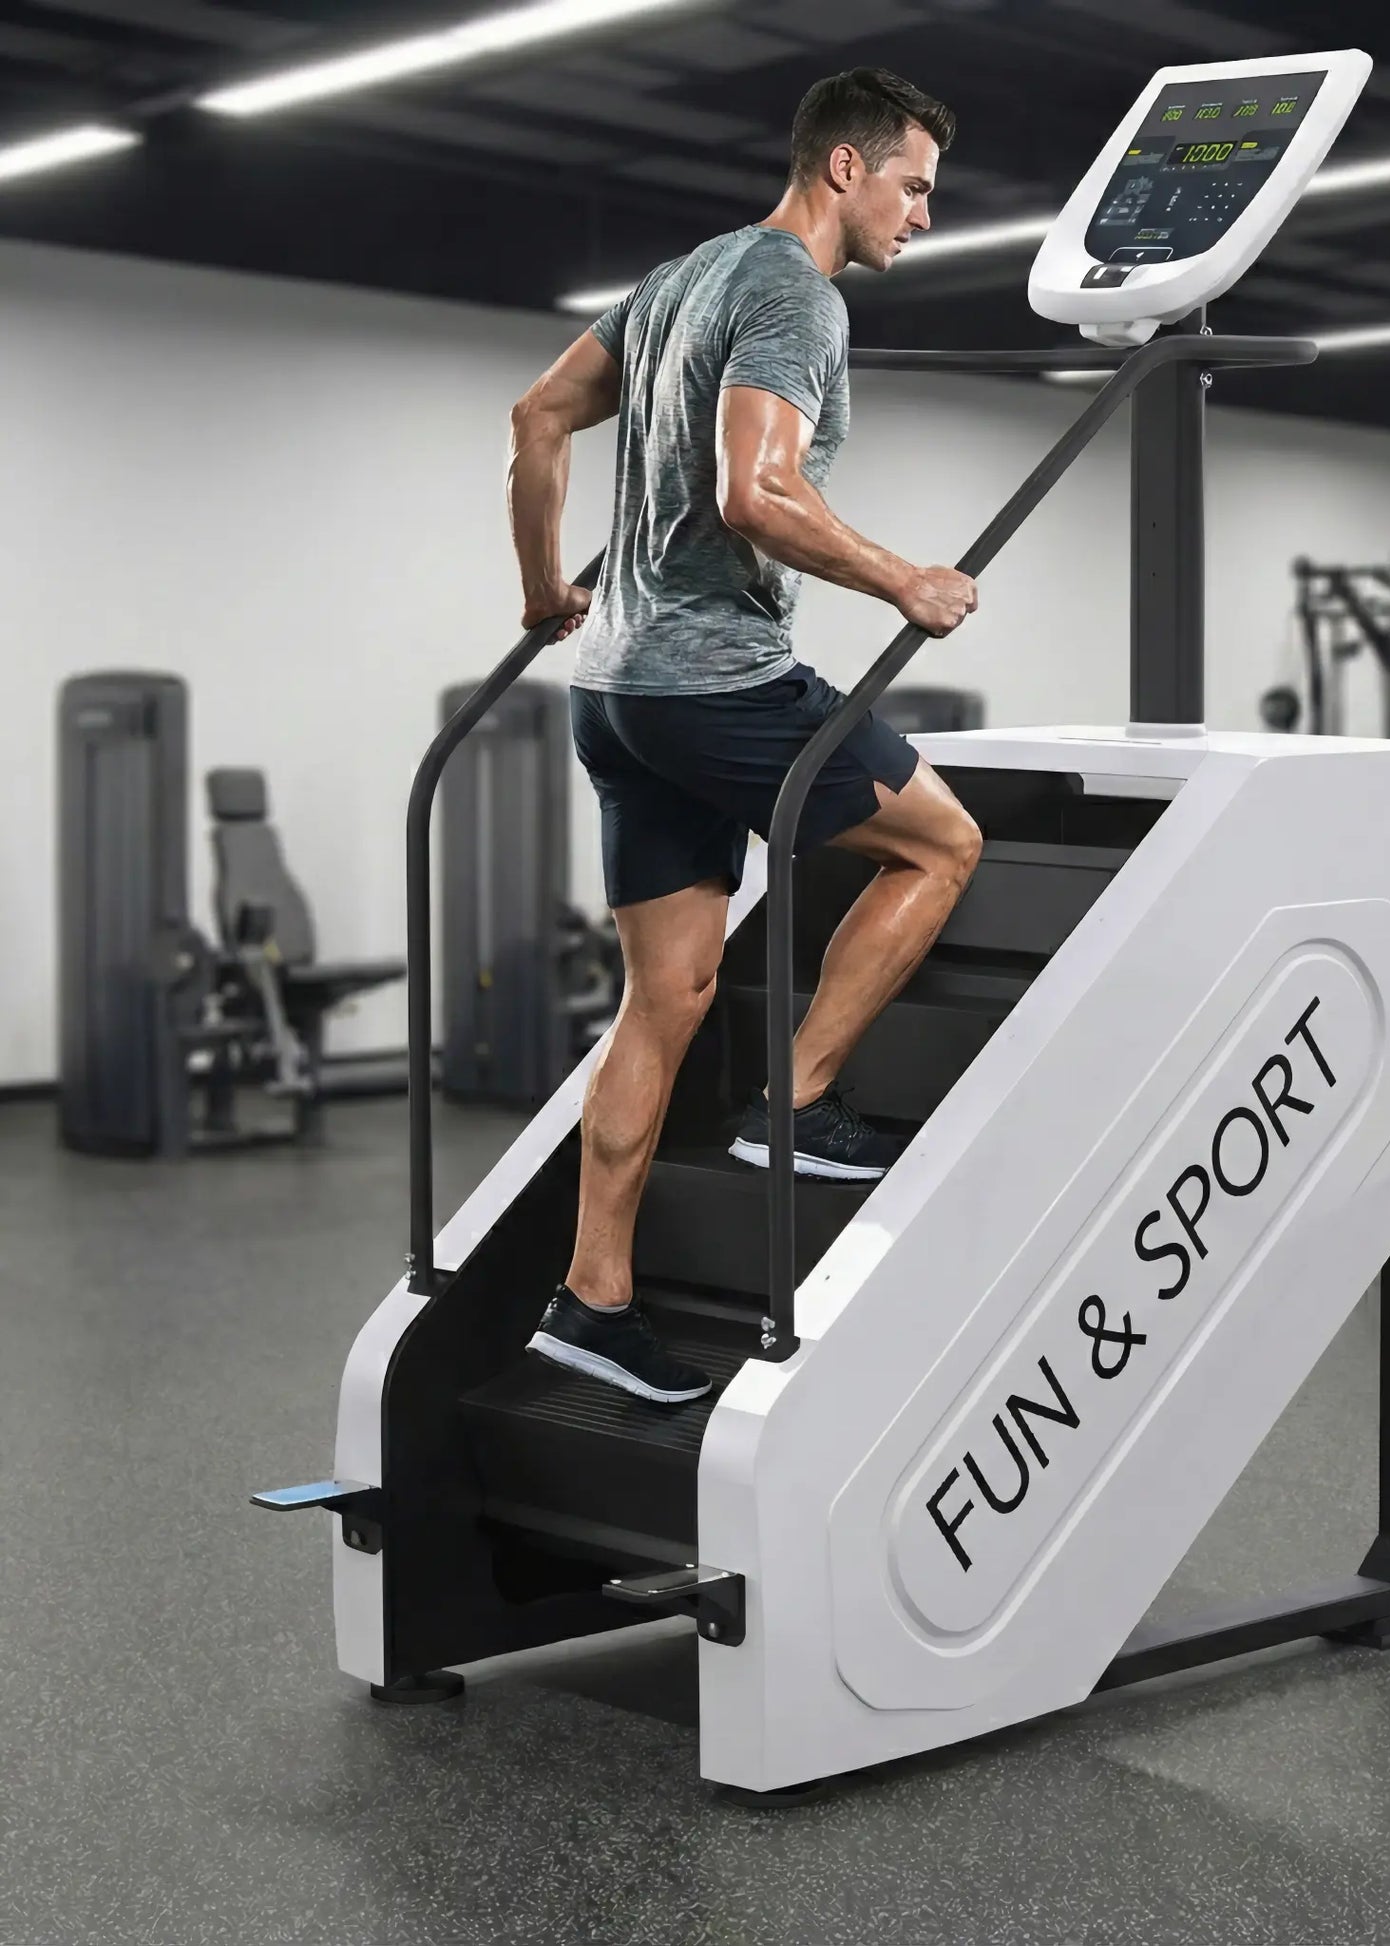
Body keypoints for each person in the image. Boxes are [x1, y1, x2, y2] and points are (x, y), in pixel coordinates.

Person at [504, 68, 982, 1407]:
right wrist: (904, 580)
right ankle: (796, 1099)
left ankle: (593, 1298)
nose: (923, 216)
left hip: (610, 690)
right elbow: (756, 492)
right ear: (845, 167)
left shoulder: (676, 282)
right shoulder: (794, 294)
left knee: (664, 998)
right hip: (715, 683)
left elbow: (535, 418)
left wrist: (543, 596)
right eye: (913, 187)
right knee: (941, 843)